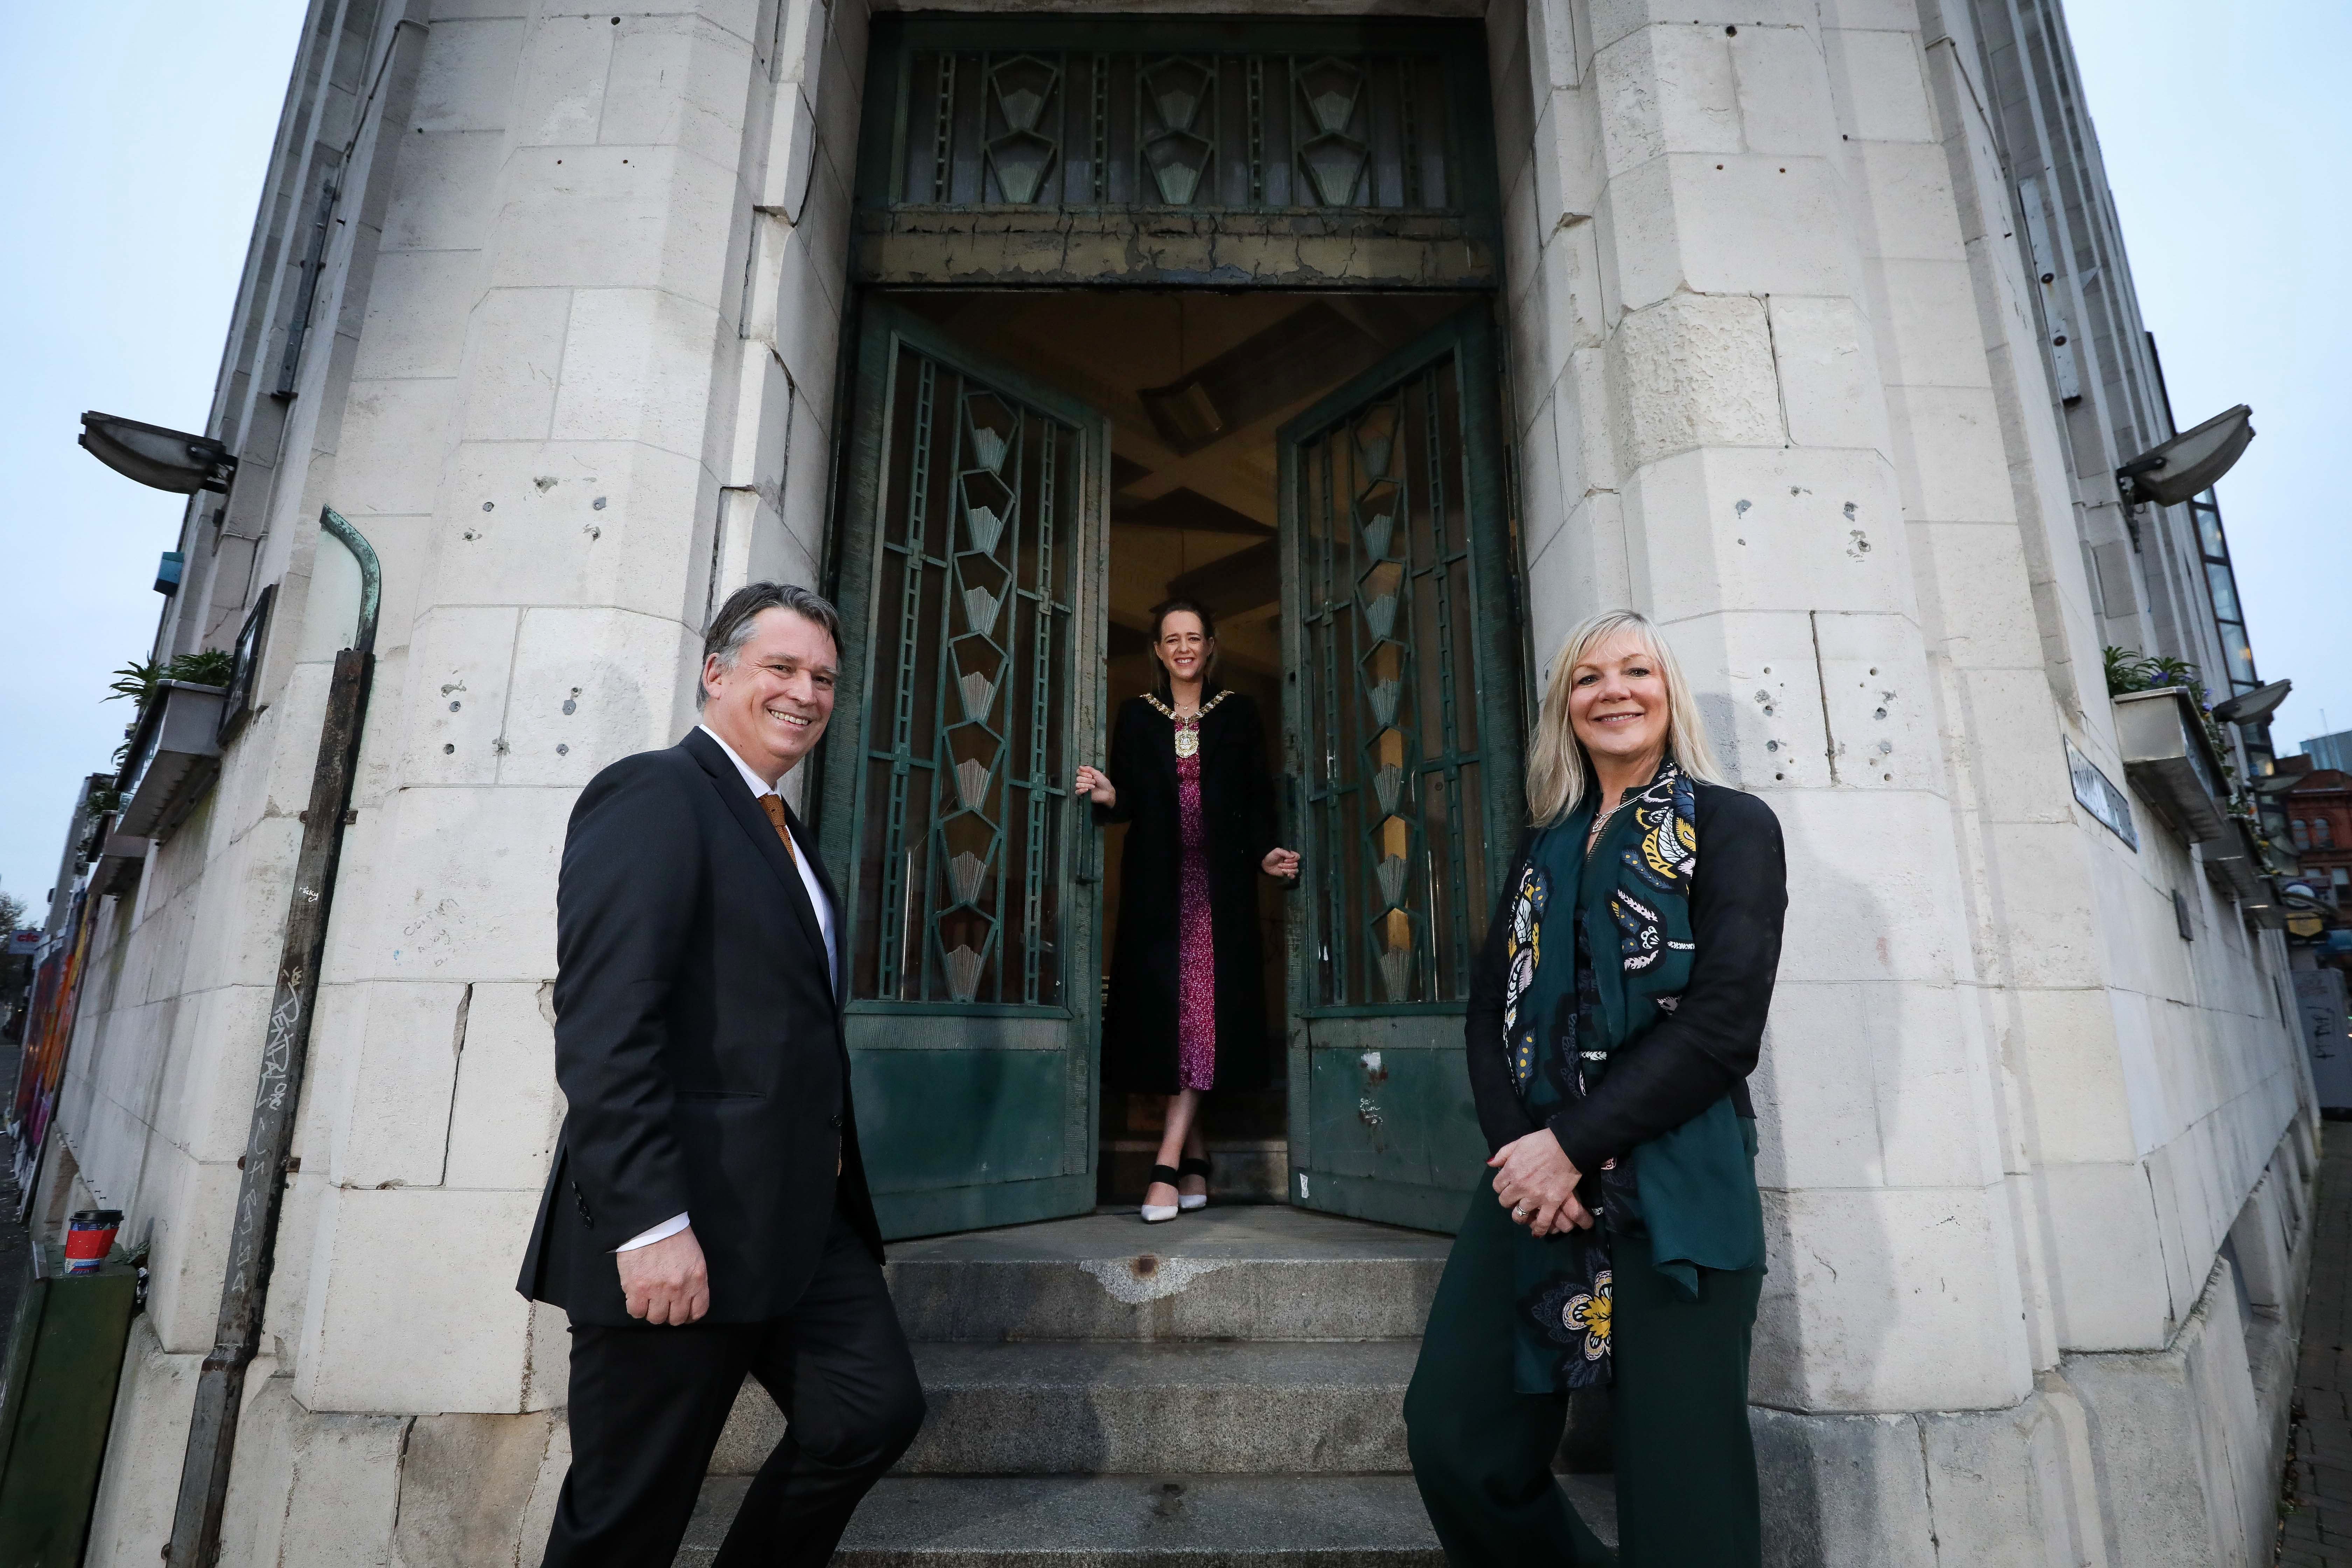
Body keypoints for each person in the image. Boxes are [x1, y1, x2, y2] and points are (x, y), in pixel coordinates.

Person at [518, 582, 925, 1567]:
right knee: (628, 1517)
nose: (806, 693)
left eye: (824, 677)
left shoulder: (782, 827)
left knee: (869, 1413)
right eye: (781, 668)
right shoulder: (656, 793)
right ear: (717, 672)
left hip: (796, 1224)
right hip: (679, 1226)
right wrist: (651, 1223)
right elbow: (609, 1025)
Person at [1403, 608, 1787, 1566]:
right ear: (1564, 708)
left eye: (1635, 671)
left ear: (1669, 691)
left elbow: (1724, 1023)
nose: (1613, 691)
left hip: (1678, 1182)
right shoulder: (1544, 848)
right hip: (1534, 1188)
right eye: (1588, 678)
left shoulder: (1733, 825)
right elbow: (1488, 1019)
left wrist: (1571, 1147)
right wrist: (1529, 1161)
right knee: (1455, 1434)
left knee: (1683, 1488)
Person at [1075, 600, 1299, 1222]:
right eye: (1171, 639)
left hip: (1219, 890)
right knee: (1172, 1021)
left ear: (1210, 646)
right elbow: (1128, 801)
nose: (1182, 648)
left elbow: (1256, 799)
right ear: (1157, 649)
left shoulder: (1238, 714)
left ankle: (1166, 1167)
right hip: (1158, 890)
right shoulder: (1137, 717)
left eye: (1193, 638)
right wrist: (1105, 792)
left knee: (1205, 1017)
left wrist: (1266, 856)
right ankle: (1197, 1161)